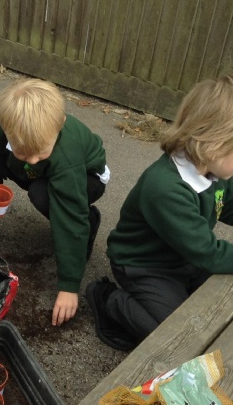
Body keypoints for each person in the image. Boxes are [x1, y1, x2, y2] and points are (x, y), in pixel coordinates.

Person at [0, 78, 110, 326]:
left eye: (40, 152)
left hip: (85, 179)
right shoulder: (0, 127)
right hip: (39, 172)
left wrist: (69, 286)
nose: (31, 160)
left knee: (43, 194)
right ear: (4, 127)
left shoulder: (66, 157)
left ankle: (90, 220)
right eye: (22, 152)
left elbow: (70, 220)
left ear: (60, 125)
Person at [86, 74, 233, 352]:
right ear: (213, 144)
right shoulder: (166, 187)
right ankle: (109, 300)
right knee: (176, 335)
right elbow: (208, 252)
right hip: (145, 265)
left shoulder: (217, 172)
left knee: (221, 299)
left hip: (183, 255)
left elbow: (229, 208)